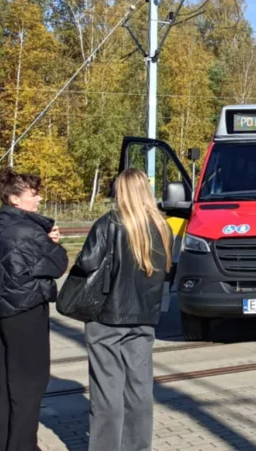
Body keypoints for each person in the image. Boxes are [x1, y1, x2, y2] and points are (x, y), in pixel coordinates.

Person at [74, 168, 172, 451]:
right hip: (143, 319)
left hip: (106, 317)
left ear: (121, 191)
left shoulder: (108, 223)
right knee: (140, 388)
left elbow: (87, 263)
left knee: (107, 391)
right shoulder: (162, 227)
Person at [0, 168, 68, 451]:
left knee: (3, 383)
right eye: (33, 194)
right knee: (29, 384)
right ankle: (22, 446)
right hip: (25, 311)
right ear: (15, 199)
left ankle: (2, 444)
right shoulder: (28, 230)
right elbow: (57, 265)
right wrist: (54, 243)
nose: (39, 198)